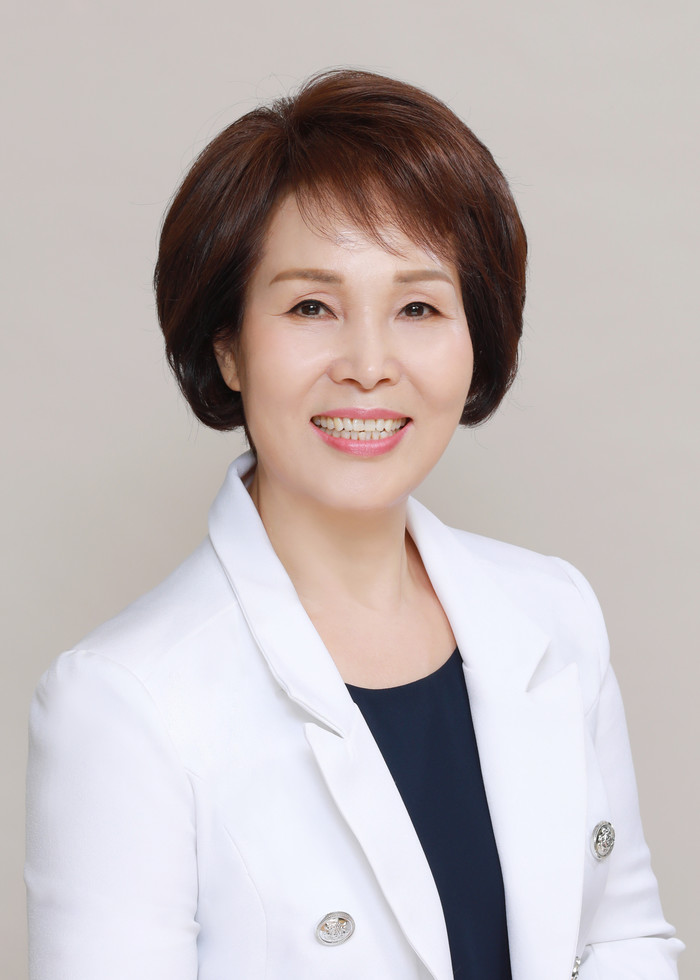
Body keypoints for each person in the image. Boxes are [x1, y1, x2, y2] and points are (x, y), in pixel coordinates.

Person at [25, 68, 682, 979]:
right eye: (311, 307)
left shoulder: (554, 612)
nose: (369, 364)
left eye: (418, 307)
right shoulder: (121, 703)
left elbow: (622, 937)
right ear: (229, 347)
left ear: (476, 336)